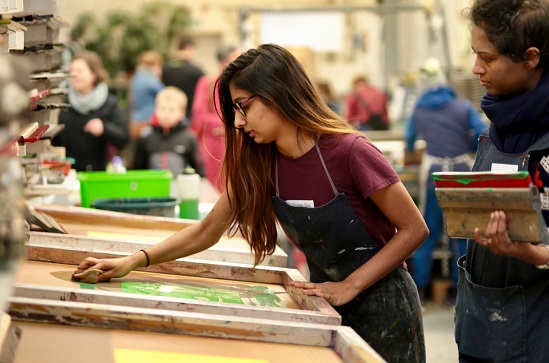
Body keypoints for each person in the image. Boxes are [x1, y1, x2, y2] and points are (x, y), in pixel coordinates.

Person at [73, 44, 429, 363]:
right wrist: (135, 261)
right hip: (325, 307)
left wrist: (349, 286)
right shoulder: (261, 163)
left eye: (244, 106)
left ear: (277, 94)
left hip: (387, 311)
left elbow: (414, 229)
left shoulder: (349, 151)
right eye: (235, 111)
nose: (239, 122)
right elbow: (206, 230)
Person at [454, 1, 549, 362]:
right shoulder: (492, 133)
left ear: (530, 57)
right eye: (476, 55)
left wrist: (531, 253)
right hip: (480, 325)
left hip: (537, 335)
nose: (476, 69)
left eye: (488, 59)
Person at [405, 57, 487, 305]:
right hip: (461, 172)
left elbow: (409, 139)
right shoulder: (462, 106)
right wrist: (466, 146)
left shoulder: (419, 109)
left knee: (426, 231)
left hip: (435, 174)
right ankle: (460, 292)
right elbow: (483, 134)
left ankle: (418, 290)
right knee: (461, 233)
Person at [52, 50, 129, 172]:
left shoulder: (109, 102)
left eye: (80, 71)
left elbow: (124, 138)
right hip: (68, 175)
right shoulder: (62, 102)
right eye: (72, 70)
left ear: (94, 74)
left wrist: (104, 128)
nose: (74, 75)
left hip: (98, 176)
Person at [191, 44, 241, 192]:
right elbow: (199, 115)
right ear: (223, 61)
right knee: (215, 186)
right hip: (214, 144)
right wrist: (225, 124)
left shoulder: (244, 84)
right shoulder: (207, 83)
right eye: (236, 58)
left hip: (239, 141)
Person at [133, 86, 204, 178]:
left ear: (182, 112)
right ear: (155, 109)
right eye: (162, 109)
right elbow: (137, 169)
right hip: (152, 188)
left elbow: (199, 170)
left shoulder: (189, 137)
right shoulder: (146, 136)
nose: (166, 114)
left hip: (180, 189)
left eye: (171, 110)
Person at [162, 36, 204, 119]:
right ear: (189, 48)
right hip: (188, 115)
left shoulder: (165, 67)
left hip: (168, 113)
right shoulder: (195, 71)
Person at [129, 50, 165, 141]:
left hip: (135, 122)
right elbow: (165, 95)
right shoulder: (150, 79)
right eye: (158, 66)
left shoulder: (136, 77)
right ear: (153, 65)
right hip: (148, 122)